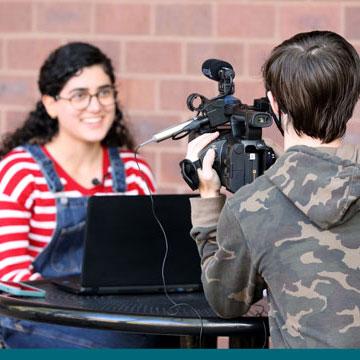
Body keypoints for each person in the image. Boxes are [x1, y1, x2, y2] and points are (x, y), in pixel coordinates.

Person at [184, 30, 360, 348]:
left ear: (275, 104)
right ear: (352, 101)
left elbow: (226, 301)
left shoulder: (254, 205)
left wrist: (209, 200)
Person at [0, 42, 178, 348]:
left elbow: (147, 266)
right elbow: (10, 278)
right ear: (50, 103)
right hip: (32, 320)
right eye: (79, 95)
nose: (95, 106)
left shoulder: (133, 172)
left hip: (116, 320)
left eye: (104, 92)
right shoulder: (20, 171)